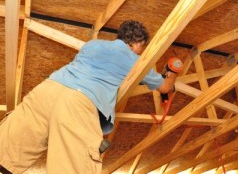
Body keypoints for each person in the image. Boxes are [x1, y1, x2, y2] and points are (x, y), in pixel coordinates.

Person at [0, 20, 179, 174]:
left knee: (7, 153)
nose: (141, 53)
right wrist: (172, 72)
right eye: (142, 48)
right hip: (79, 103)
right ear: (138, 43)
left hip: (48, 90)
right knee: (73, 166)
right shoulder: (136, 62)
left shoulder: (92, 45)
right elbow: (165, 87)